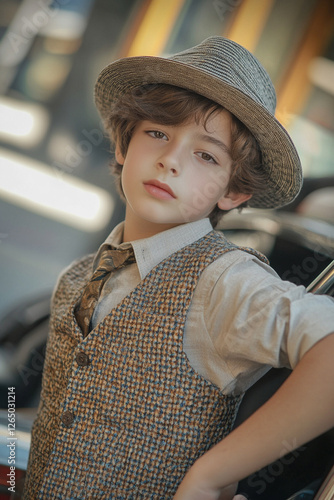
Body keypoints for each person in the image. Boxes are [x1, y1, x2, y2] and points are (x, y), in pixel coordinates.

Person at [23, 37, 334, 500]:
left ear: (232, 192)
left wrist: (214, 473)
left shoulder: (222, 282)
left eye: (206, 155)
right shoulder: (78, 276)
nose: (171, 160)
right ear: (124, 144)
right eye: (158, 133)